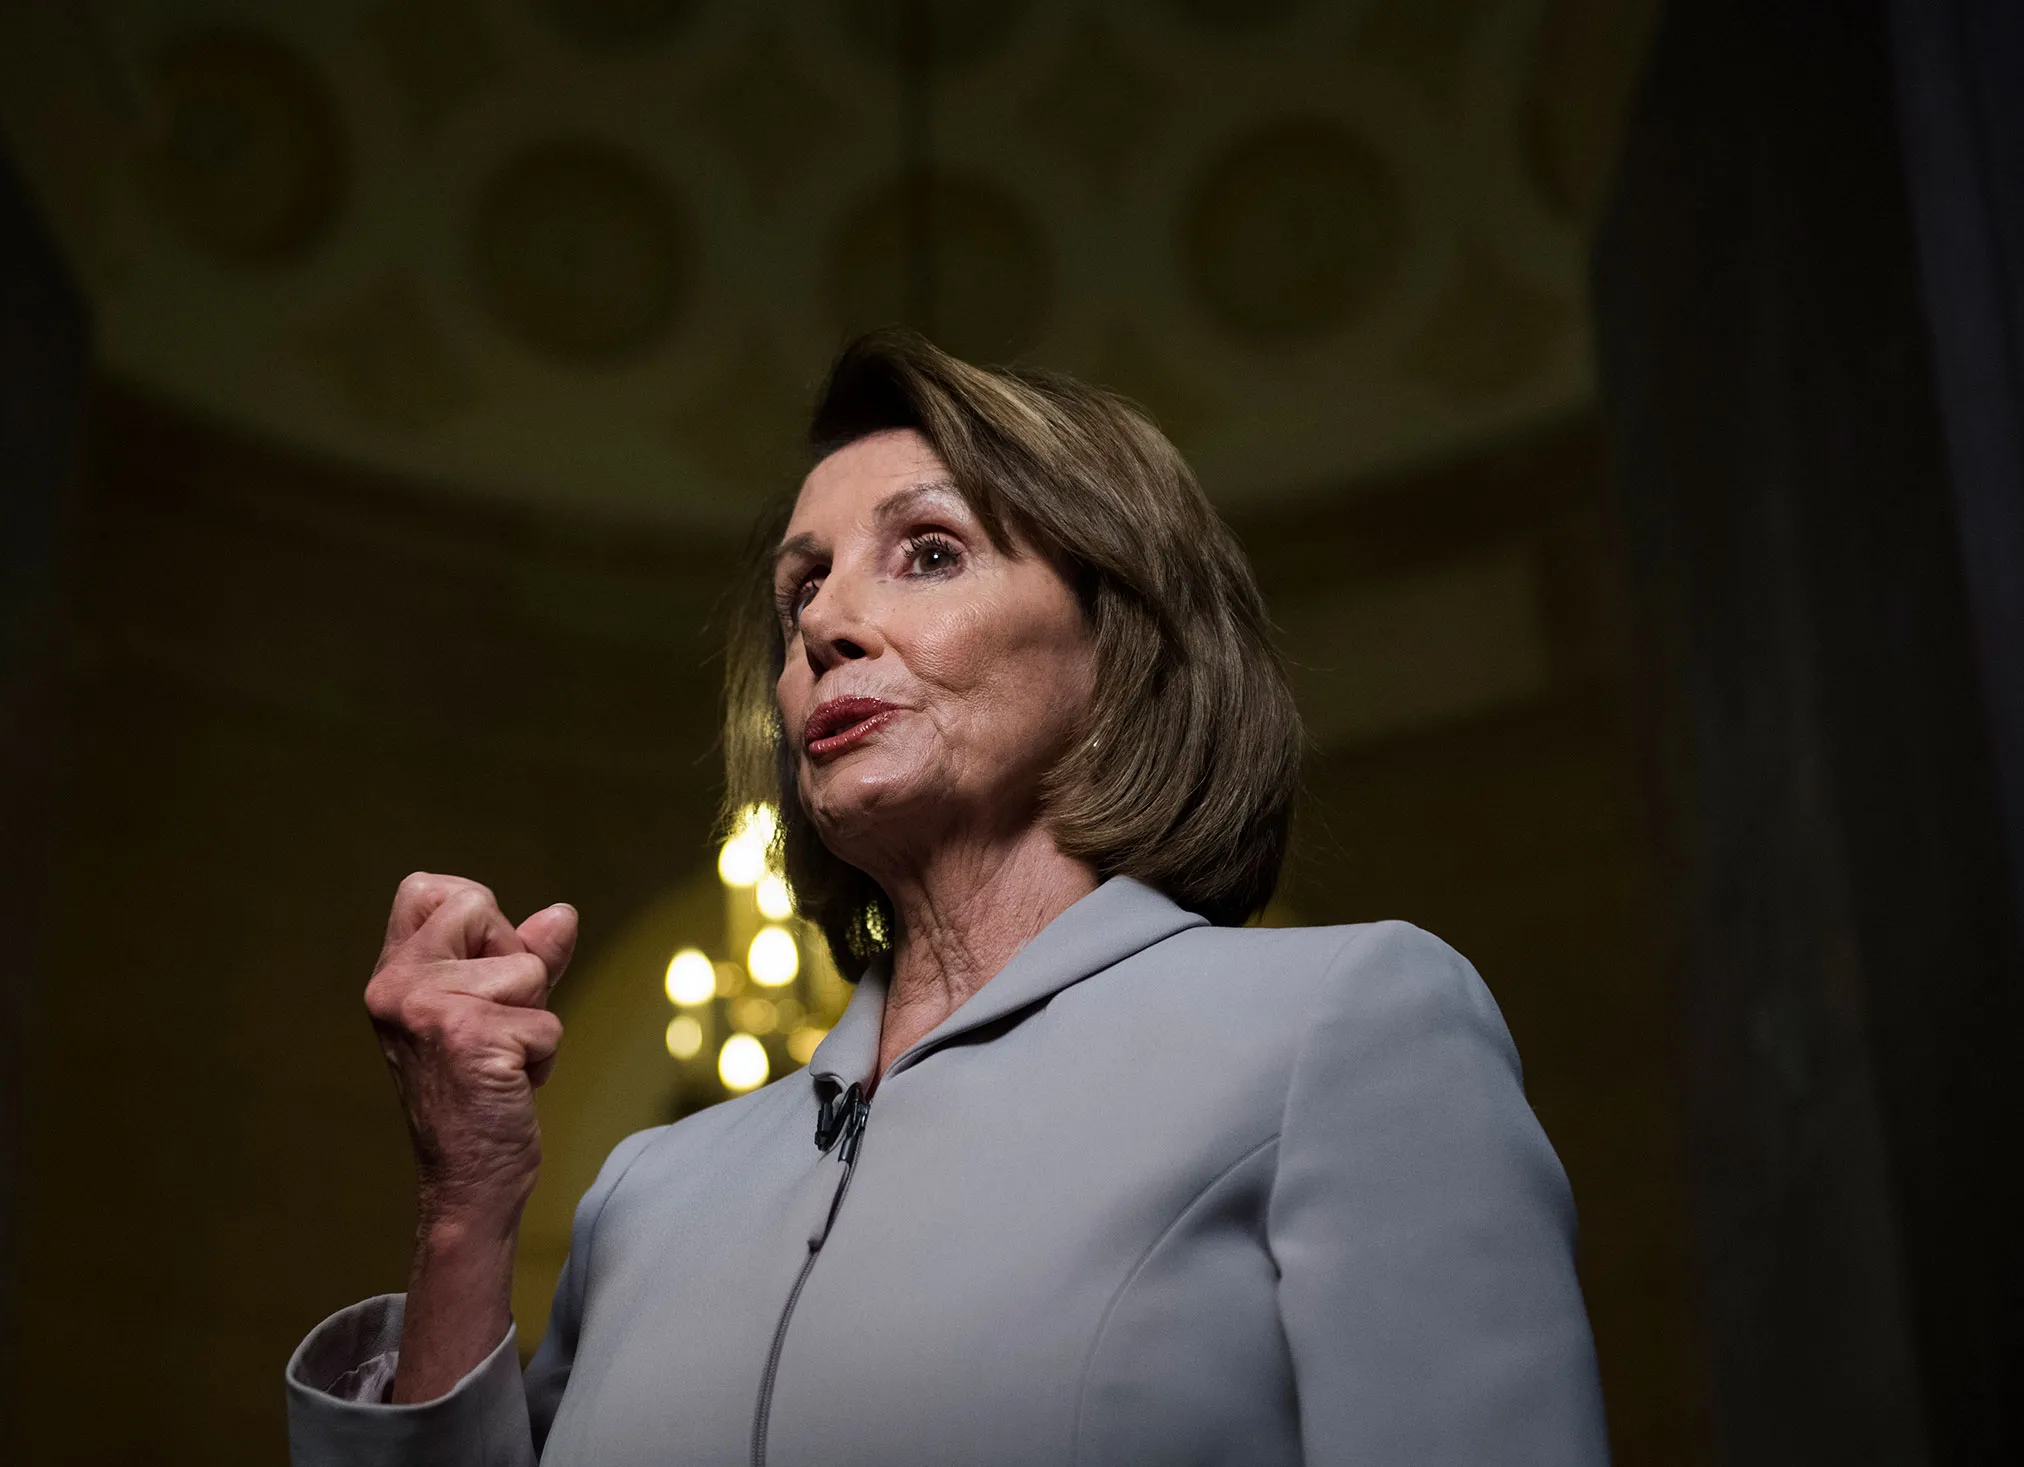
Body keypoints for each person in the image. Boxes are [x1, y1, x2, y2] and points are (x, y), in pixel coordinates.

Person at [284, 331, 1610, 1467]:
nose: (822, 625)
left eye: (927, 551)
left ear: (1120, 639)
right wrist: (464, 1208)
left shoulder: (1344, 1027)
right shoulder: (647, 1191)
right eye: (802, 586)